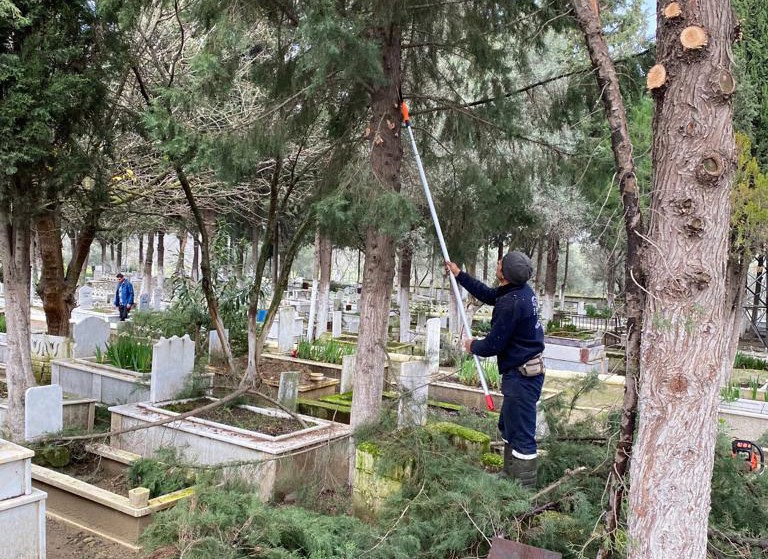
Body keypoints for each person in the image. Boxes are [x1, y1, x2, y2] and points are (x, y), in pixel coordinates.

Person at [446, 251, 545, 488]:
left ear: (506, 274)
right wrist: (461, 275)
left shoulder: (512, 303)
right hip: (518, 373)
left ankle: (524, 490)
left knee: (522, 434)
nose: (498, 263)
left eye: (501, 263)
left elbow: (494, 344)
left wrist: (473, 346)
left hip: (523, 376)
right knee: (510, 425)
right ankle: (509, 475)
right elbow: (490, 295)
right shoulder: (518, 291)